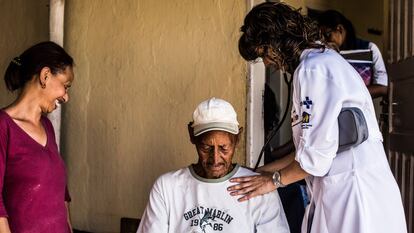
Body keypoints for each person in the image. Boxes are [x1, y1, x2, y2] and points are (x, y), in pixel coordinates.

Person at [227, 3, 407, 233]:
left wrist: (272, 181)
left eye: (264, 53)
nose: (267, 63)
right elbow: (312, 148)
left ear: (276, 41)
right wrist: (259, 172)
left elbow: (315, 158)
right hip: (349, 188)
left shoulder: (314, 70)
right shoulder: (322, 63)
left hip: (355, 194)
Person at [137, 97, 289, 233]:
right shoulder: (167, 187)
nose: (215, 159)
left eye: (224, 148)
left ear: (237, 139)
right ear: (192, 136)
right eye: (206, 148)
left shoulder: (259, 187)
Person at [0, 41, 74, 233]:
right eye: (66, 86)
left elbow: (61, 198)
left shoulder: (47, 127)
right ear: (45, 75)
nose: (66, 97)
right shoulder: (3, 127)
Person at [317, 10, 388, 98]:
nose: (325, 41)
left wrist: (348, 96)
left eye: (327, 35)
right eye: (321, 37)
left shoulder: (369, 48)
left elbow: (382, 87)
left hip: (360, 108)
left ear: (340, 29)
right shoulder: (324, 52)